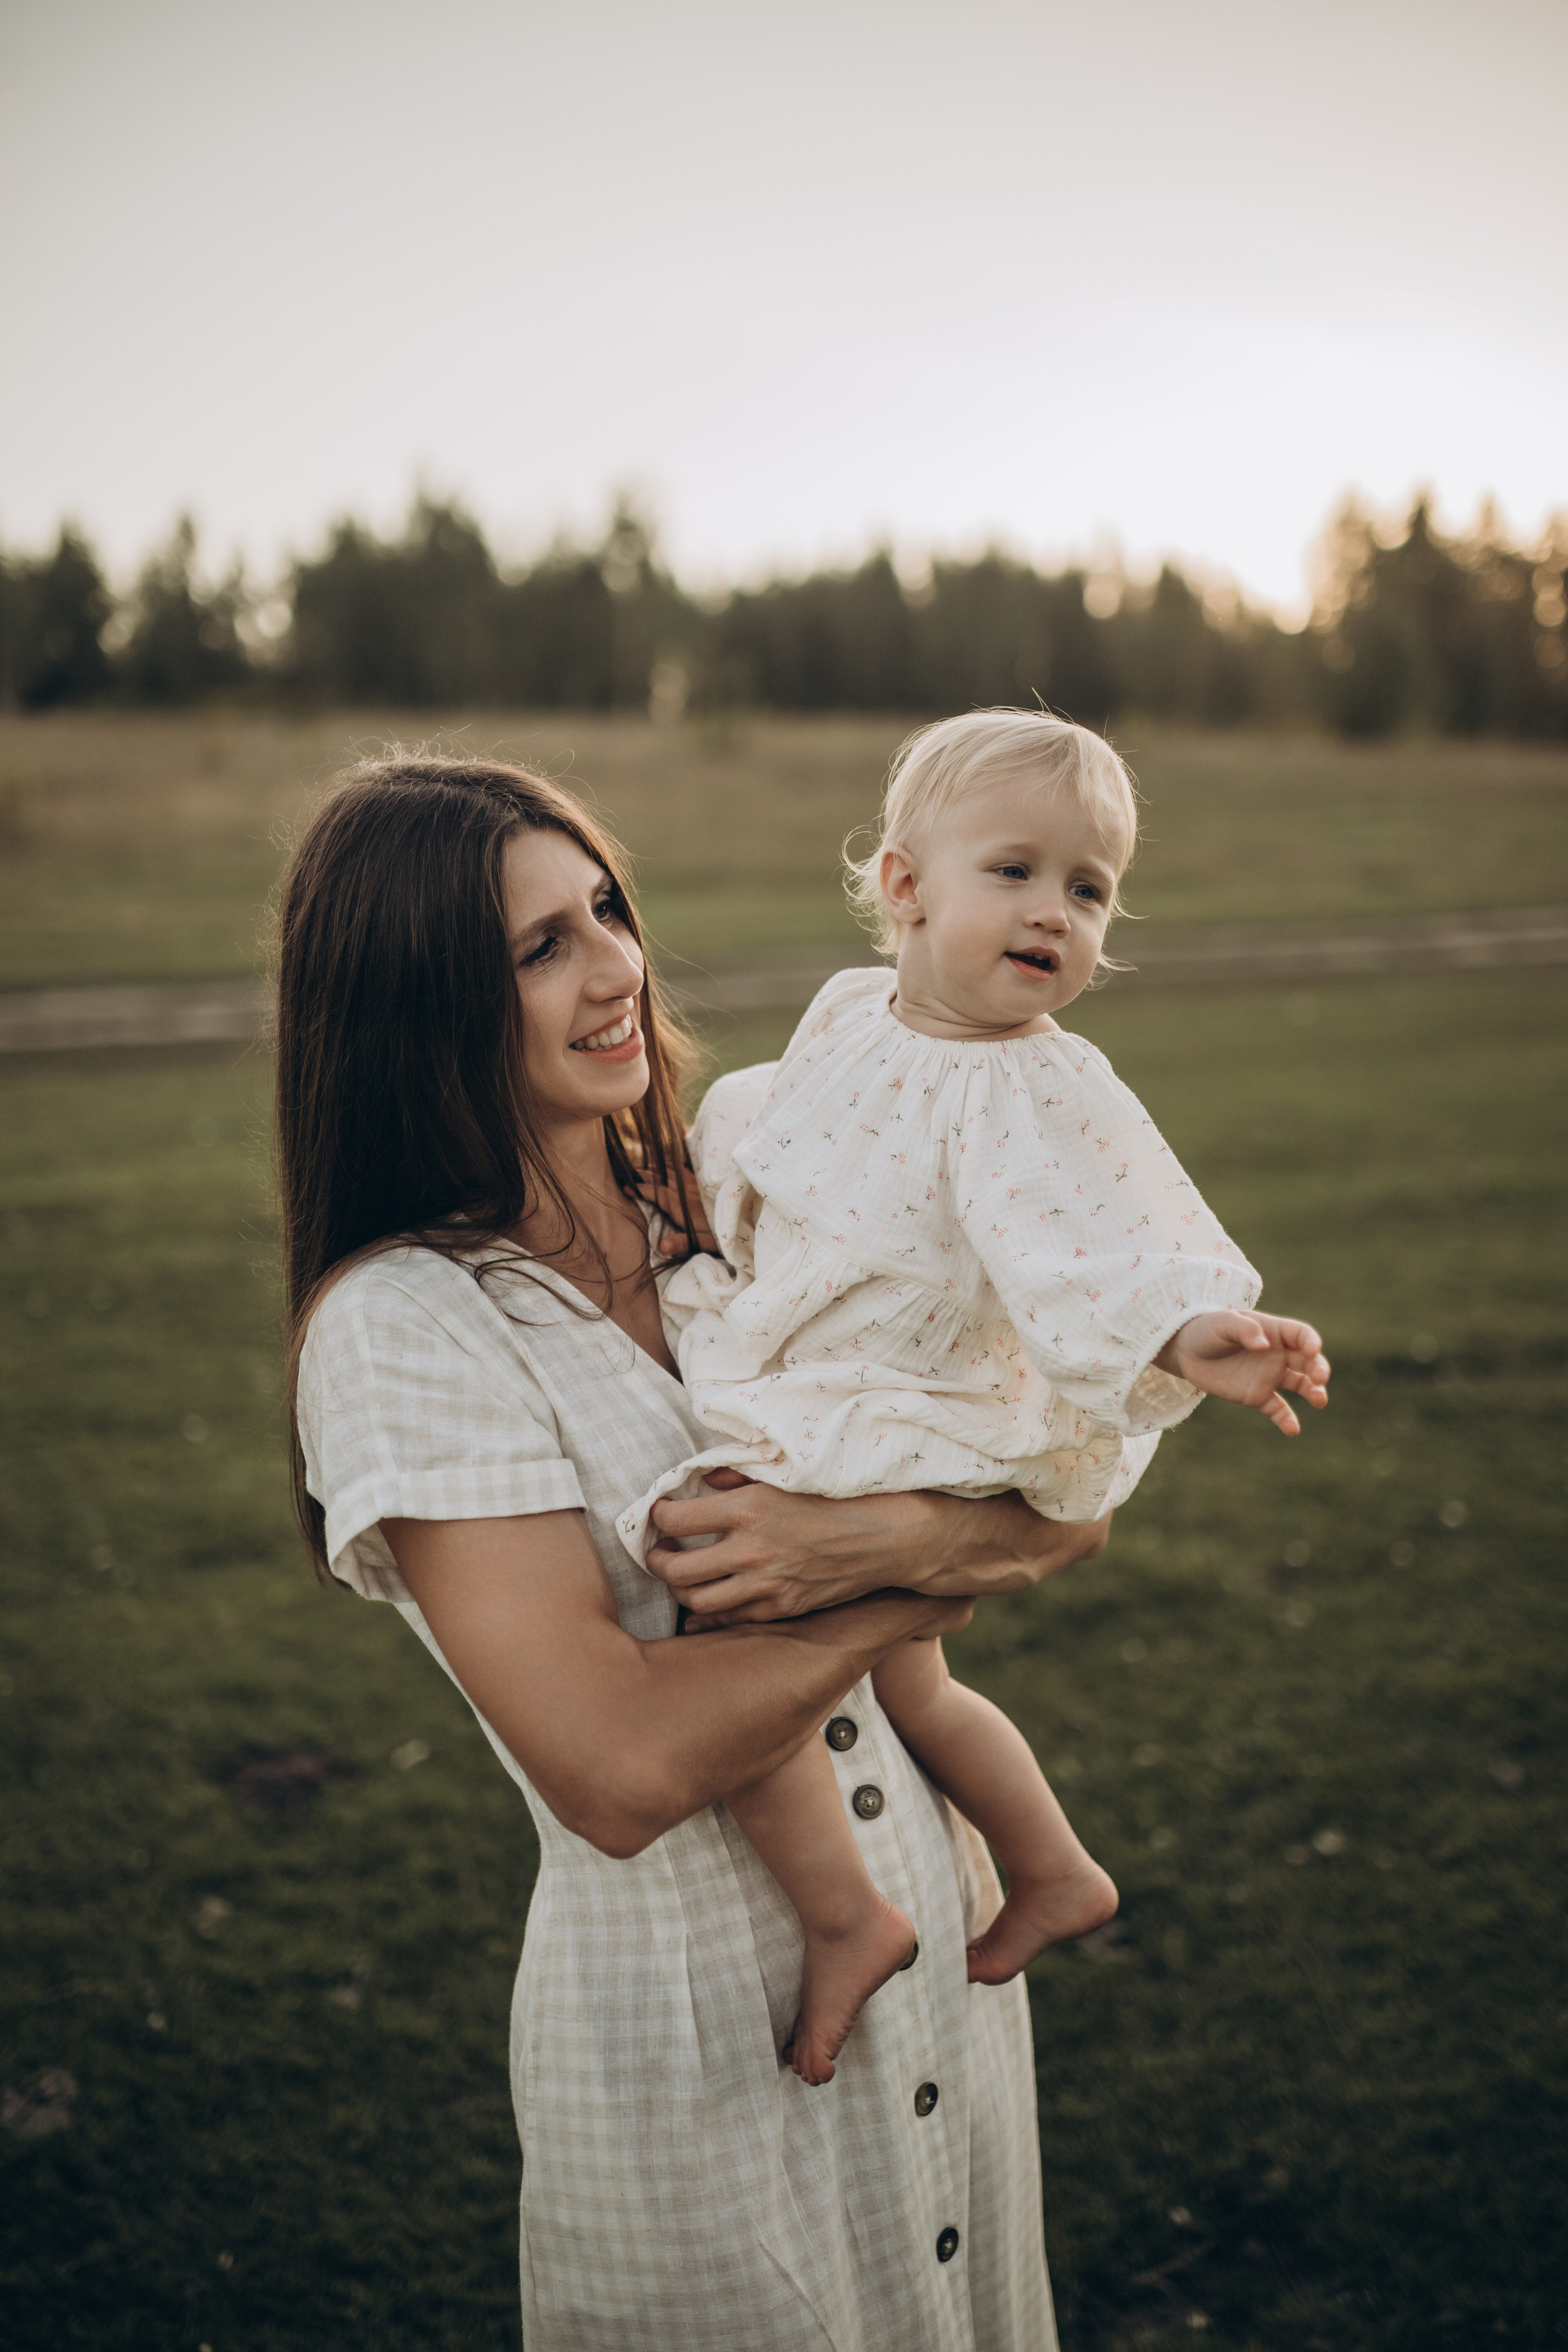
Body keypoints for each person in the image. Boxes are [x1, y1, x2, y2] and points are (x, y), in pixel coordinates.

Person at [277, 753, 1112, 2352]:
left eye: (607, 910)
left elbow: (1067, 1488)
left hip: (942, 1968)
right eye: (538, 949)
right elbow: (618, 1765)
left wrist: (883, 1536)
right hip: (702, 2042)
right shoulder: (407, 1326)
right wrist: (905, 1559)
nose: (614, 971)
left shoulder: (734, 1201)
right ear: (412, 1010)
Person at [619, 710, 1332, 2086]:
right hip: (823, 1357)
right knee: (912, 1677)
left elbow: (1106, 1233)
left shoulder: (1045, 1084)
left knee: (719, 1602)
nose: (1052, 913)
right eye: (1014, 871)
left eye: (1086, 888)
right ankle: (1053, 1864)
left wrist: (1195, 1334)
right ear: (903, 888)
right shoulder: (845, 1010)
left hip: (907, 1402)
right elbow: (787, 1132)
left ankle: (845, 1916)